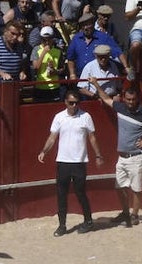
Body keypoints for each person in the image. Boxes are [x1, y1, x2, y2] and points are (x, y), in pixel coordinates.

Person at [92, 81, 142, 228]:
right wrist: (96, 85)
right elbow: (106, 98)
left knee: (136, 188)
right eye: (128, 99)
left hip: (137, 156)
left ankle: (134, 214)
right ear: (124, 98)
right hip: (122, 156)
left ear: (137, 99)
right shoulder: (121, 108)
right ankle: (125, 212)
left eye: (133, 99)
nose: (130, 102)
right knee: (119, 186)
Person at [37, 91, 103, 236]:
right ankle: (62, 225)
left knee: (80, 193)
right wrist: (44, 151)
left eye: (76, 103)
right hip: (63, 161)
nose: (74, 106)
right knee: (61, 194)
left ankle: (88, 221)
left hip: (79, 161)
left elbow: (92, 138)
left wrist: (98, 155)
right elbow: (52, 137)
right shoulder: (59, 117)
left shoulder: (85, 117)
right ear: (65, 102)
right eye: (71, 103)